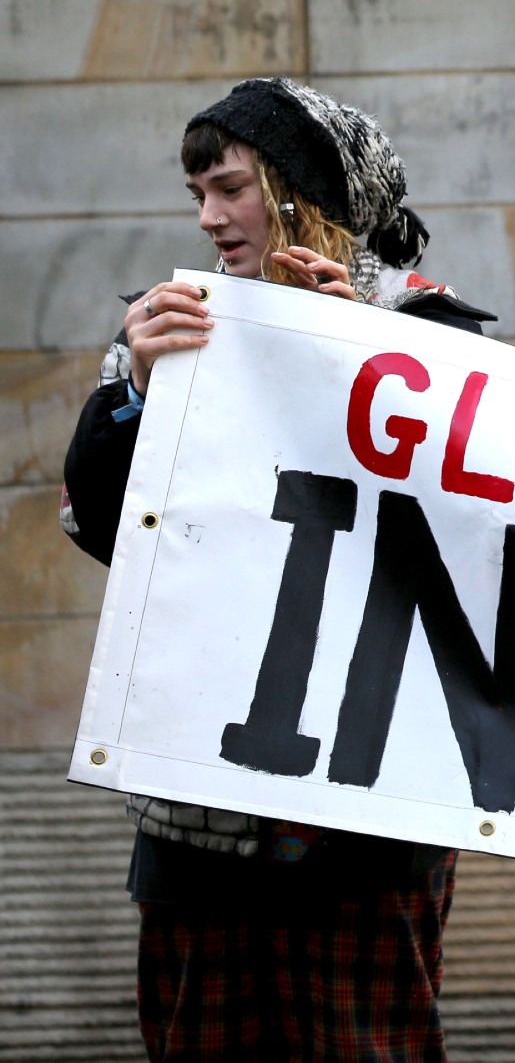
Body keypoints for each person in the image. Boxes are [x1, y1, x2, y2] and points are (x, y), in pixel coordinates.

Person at [61, 77, 491, 1062]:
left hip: (368, 816)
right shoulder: (168, 329)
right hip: (199, 814)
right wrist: (130, 391)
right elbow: (98, 525)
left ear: (301, 191)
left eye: (229, 188)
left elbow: (483, 538)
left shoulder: (431, 334)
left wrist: (370, 369)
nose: (209, 218)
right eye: (196, 194)